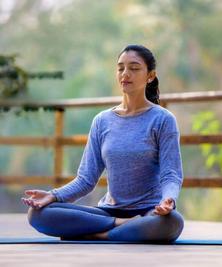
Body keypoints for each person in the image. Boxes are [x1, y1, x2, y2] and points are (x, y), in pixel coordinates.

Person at [22, 44, 184, 243]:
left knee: (172, 222)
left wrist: (169, 200)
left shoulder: (162, 119)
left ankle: (98, 234)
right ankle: (119, 226)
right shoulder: (102, 121)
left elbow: (171, 174)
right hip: (108, 213)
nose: (125, 74)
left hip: (149, 213)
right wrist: (53, 196)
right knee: (38, 213)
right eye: (120, 68)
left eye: (134, 68)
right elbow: (85, 179)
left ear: (150, 76)